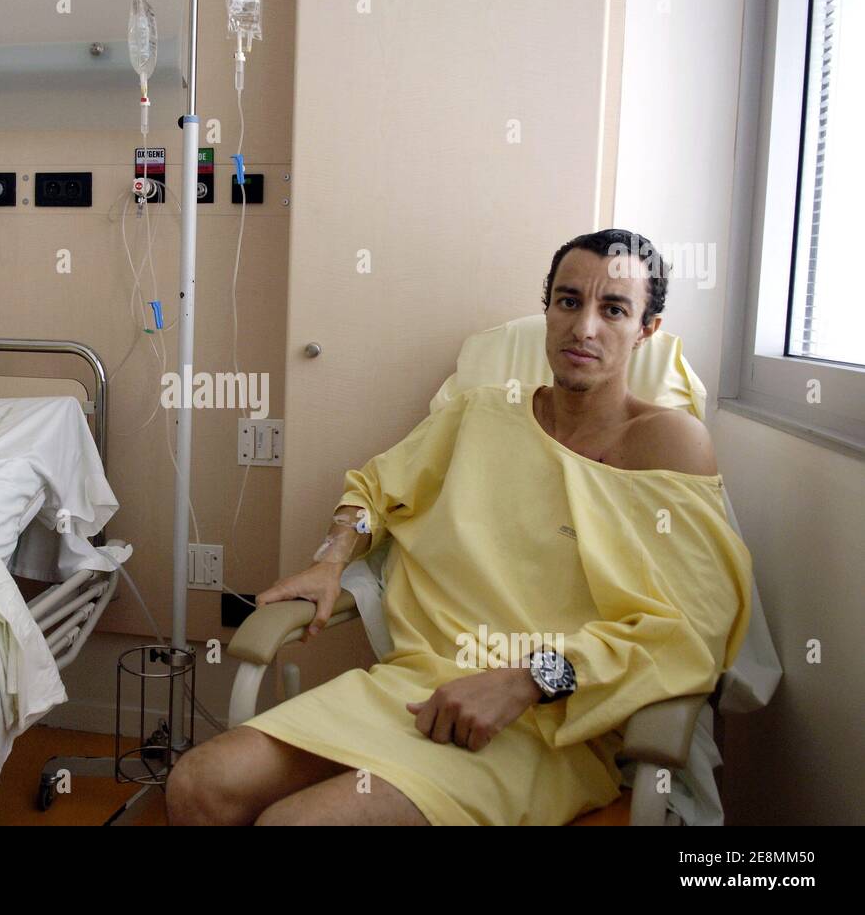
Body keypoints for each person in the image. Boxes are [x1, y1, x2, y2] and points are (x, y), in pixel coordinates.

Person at [166, 229, 752, 825]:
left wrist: (528, 679)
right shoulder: (481, 414)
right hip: (414, 686)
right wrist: (330, 558)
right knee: (198, 785)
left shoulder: (668, 441)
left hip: (542, 726)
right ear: (546, 309)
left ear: (646, 330)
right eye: (569, 301)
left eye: (614, 309)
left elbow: (692, 630)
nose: (585, 328)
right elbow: (373, 490)